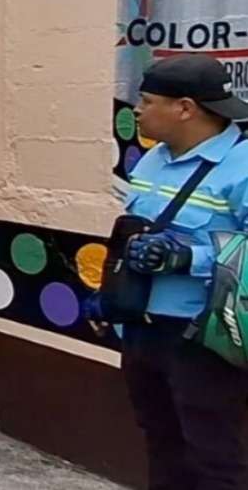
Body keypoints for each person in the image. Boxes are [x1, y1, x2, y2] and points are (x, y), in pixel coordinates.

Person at [116, 54, 248, 490]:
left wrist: (190, 258)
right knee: (161, 444)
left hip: (202, 337)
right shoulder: (151, 160)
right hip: (143, 327)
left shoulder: (241, 166)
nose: (137, 109)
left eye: (148, 100)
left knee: (215, 456)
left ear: (185, 108)